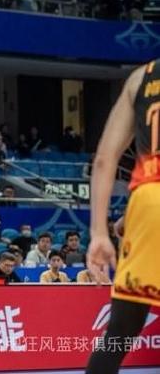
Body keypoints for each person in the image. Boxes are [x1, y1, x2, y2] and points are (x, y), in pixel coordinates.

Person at [86, 60, 160, 373]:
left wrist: (99, 233)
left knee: (119, 334)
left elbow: (105, 159)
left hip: (149, 204)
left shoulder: (141, 77)